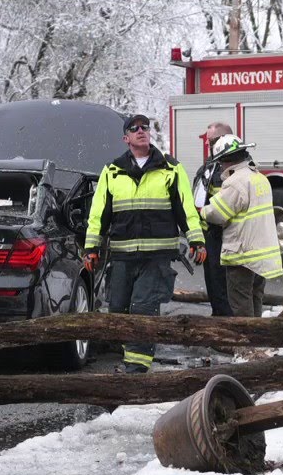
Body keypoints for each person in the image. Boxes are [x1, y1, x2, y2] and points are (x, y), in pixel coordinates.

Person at [84, 114, 205, 373]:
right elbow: (98, 214)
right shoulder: (112, 171)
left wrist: (196, 239)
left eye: (145, 127)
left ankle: (136, 371)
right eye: (134, 128)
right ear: (126, 138)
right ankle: (131, 361)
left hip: (156, 257)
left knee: (143, 309)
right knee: (119, 310)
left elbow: (186, 208)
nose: (141, 131)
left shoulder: (171, 169)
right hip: (122, 257)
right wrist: (91, 248)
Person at [199, 134, 283, 317]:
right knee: (255, 298)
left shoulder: (236, 182)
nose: (220, 166)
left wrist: (201, 211)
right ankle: (257, 339)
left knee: (240, 304)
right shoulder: (259, 178)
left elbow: (217, 213)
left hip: (243, 255)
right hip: (260, 256)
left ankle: (245, 343)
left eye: (220, 161)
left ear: (226, 160)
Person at [191, 122, 234, 316]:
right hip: (210, 236)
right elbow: (196, 202)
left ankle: (227, 323)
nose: (211, 146)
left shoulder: (237, 168)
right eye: (209, 142)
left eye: (214, 141)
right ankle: (219, 319)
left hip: (231, 235)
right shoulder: (207, 169)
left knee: (228, 287)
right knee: (215, 283)